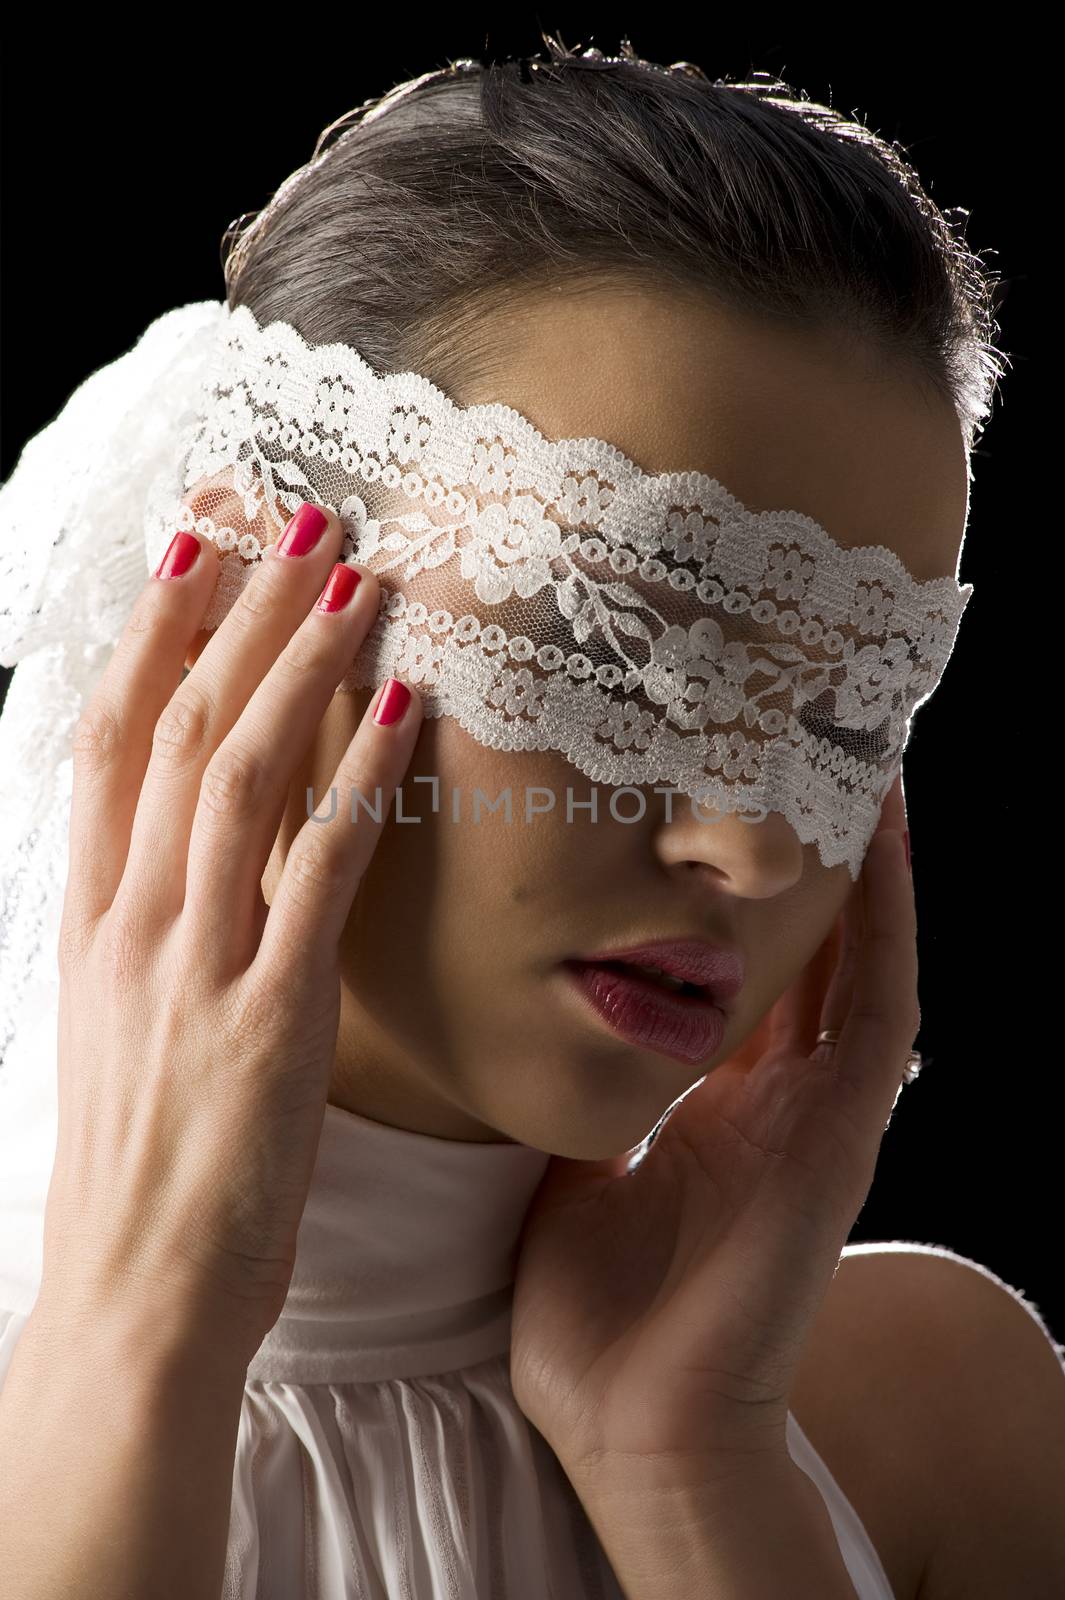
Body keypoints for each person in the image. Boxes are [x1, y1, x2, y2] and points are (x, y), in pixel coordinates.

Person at [1, 35, 1063, 1600]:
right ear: (244, 592)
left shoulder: (934, 1412)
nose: (758, 845)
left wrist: (696, 1478)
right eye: (618, 650)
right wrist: (142, 1338)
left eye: (850, 715)